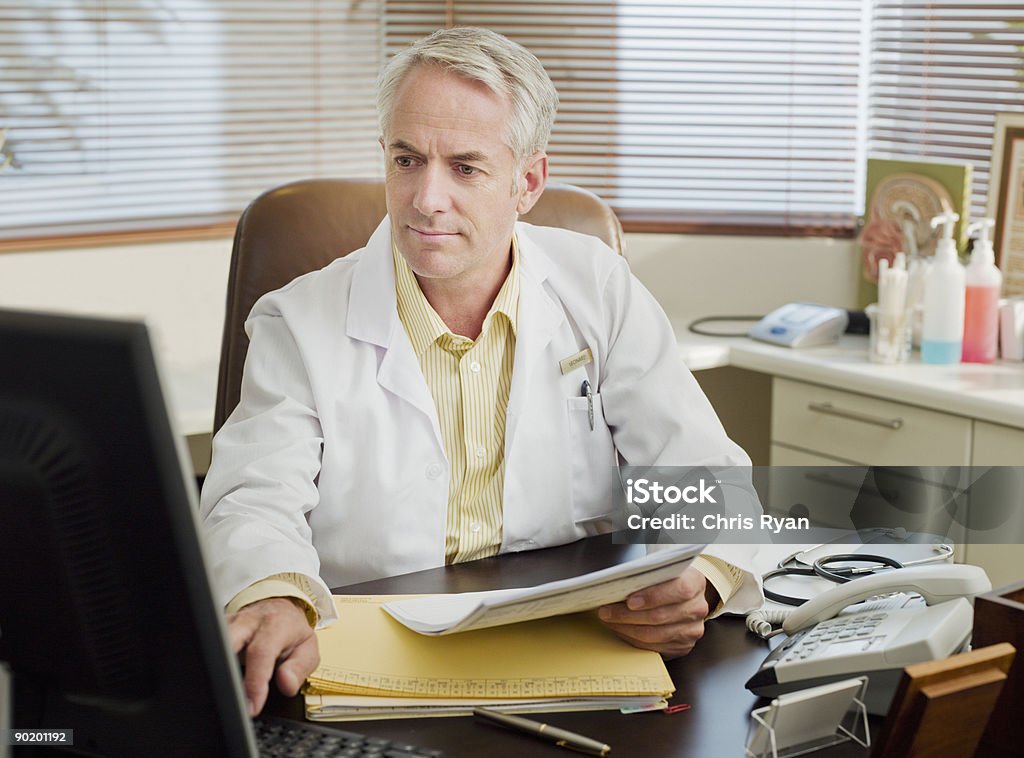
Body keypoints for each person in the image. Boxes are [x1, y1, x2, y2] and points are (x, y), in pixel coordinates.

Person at [200, 27, 763, 717]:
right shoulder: (301, 320)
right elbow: (251, 502)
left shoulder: (597, 288)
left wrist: (702, 581)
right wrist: (273, 591)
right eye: (408, 160)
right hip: (364, 670)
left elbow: (709, 480)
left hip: (565, 656)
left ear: (527, 182)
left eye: (465, 168)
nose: (425, 198)